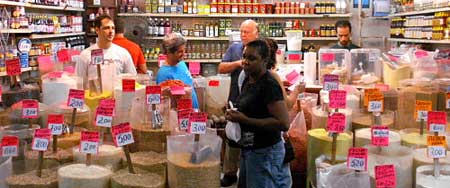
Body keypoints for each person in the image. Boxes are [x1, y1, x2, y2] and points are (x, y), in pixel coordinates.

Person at [225, 39, 292, 188]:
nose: (245, 62)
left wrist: (245, 119)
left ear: (265, 60)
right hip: (249, 148)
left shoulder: (269, 84)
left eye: (252, 58)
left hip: (265, 152)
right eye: (244, 56)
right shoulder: (248, 79)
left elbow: (283, 123)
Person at [218, 19, 259, 187]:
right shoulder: (234, 48)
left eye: (247, 31)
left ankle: (247, 172)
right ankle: (230, 173)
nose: (243, 34)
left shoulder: (261, 49)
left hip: (253, 102)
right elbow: (221, 68)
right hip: (235, 99)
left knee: (249, 138)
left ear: (256, 33)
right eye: (241, 31)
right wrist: (238, 64)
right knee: (232, 136)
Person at [239, 38, 305, 109]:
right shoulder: (271, 76)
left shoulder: (245, 73)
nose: (246, 62)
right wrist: (297, 90)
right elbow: (287, 106)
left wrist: (280, 84)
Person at [76, 15, 137, 86]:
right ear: (97, 30)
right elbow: (79, 83)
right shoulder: (85, 55)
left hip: (116, 96)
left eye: (113, 28)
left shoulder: (123, 53)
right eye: (106, 28)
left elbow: (132, 78)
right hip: (94, 96)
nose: (111, 31)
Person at [155, 32, 199, 109]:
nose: (183, 54)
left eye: (184, 50)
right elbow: (167, 104)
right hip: (180, 116)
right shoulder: (163, 74)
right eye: (180, 52)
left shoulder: (181, 63)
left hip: (192, 113)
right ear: (169, 52)